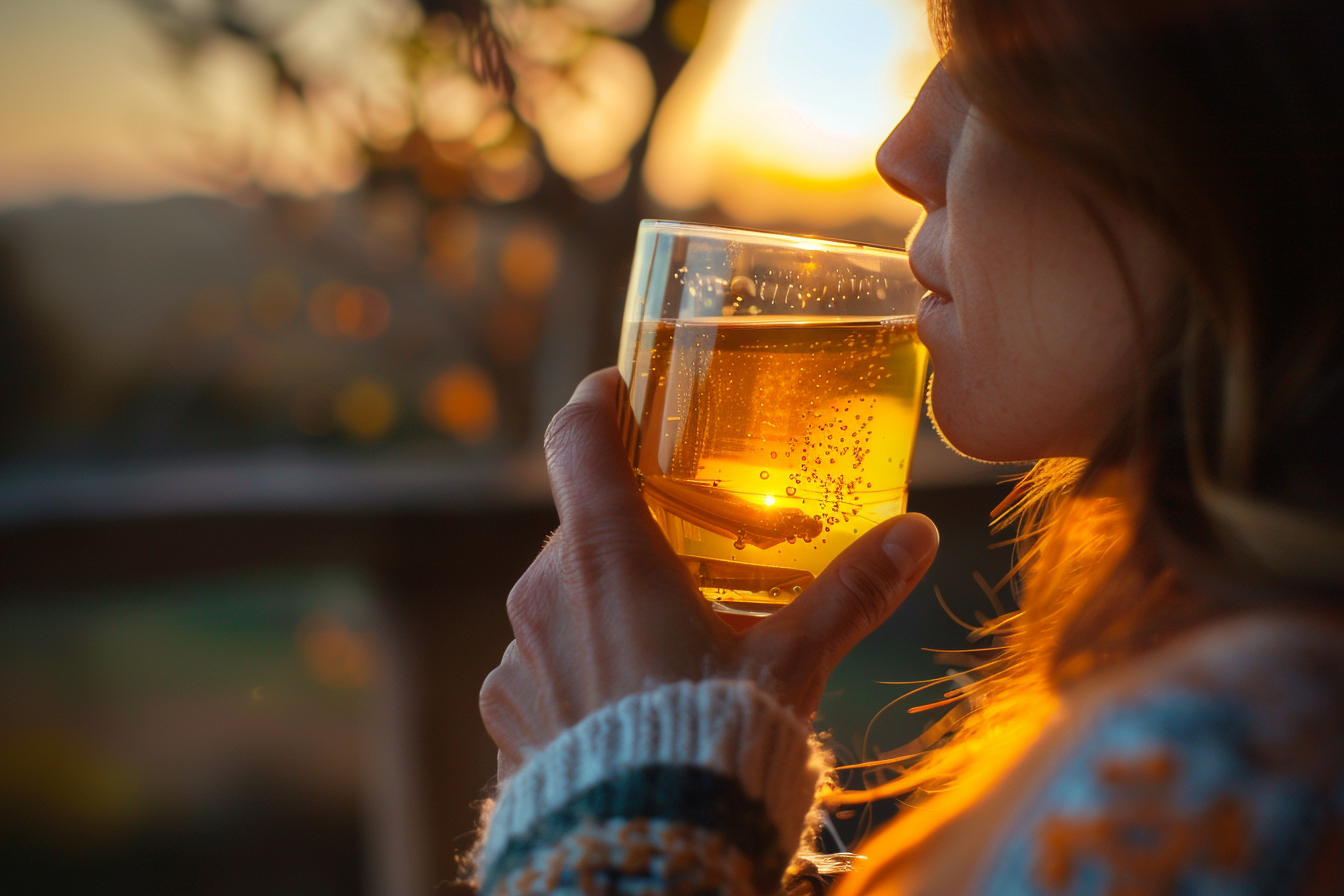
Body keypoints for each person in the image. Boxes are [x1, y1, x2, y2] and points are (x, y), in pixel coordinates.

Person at [473, 0, 1344, 893]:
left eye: (991, 59)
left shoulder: (1244, 754)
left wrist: (625, 796)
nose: (902, 151)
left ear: (1253, 128)